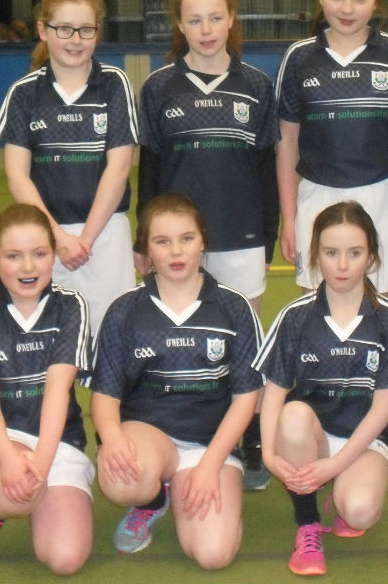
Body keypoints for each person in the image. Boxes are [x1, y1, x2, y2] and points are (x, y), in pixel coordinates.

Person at [135, 0, 279, 491]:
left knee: (244, 345)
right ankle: (176, 437)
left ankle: (252, 440)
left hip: (241, 235)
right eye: (194, 19)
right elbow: (148, 167)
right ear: (179, 23)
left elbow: (267, 167)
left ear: (231, 18)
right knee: (180, 343)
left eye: (216, 17)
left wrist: (268, 232)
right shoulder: (158, 87)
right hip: (175, 244)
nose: (206, 28)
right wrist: (142, 238)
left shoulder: (257, 85)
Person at [90, 194, 263, 570]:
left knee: (213, 555)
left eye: (186, 238)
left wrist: (209, 466)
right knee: (119, 480)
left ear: (203, 240)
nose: (176, 251)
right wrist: (114, 440)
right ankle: (151, 499)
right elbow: (104, 396)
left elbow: (247, 398)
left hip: (210, 444)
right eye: (162, 241)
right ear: (146, 250)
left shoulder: (234, 308)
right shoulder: (125, 311)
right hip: (149, 436)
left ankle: (196, 488)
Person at [253, 201, 388, 576]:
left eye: (355, 253)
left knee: (359, 512)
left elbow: (381, 413)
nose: (342, 265)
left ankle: (343, 488)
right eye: (331, 253)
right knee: (293, 417)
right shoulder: (295, 317)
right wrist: (267, 455)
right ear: (315, 255)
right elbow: (275, 391)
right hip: (311, 434)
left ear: (372, 256)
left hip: (364, 440)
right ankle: (308, 523)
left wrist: (335, 465)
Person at [275, 0, 388, 299]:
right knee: (316, 313)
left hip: (384, 195)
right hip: (317, 196)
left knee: (380, 312)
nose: (347, 9)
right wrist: (289, 217)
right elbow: (287, 143)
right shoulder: (300, 58)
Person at [0, 203, 95, 575]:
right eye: (13, 256)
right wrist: (12, 460)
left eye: (39, 254)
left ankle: (37, 497)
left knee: (66, 559)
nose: (28, 268)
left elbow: (57, 392)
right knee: (15, 495)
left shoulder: (71, 308)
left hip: (57, 437)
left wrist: (41, 465)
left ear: (53, 255)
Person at [0, 0, 138, 333]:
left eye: (86, 30)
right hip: (43, 239)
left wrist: (85, 240)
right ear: (43, 30)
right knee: (51, 338)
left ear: (97, 33)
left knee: (113, 338)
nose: (75, 39)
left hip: (104, 236)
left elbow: (119, 169)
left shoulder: (115, 84)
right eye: (64, 29)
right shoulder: (24, 94)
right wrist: (57, 239)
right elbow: (17, 176)